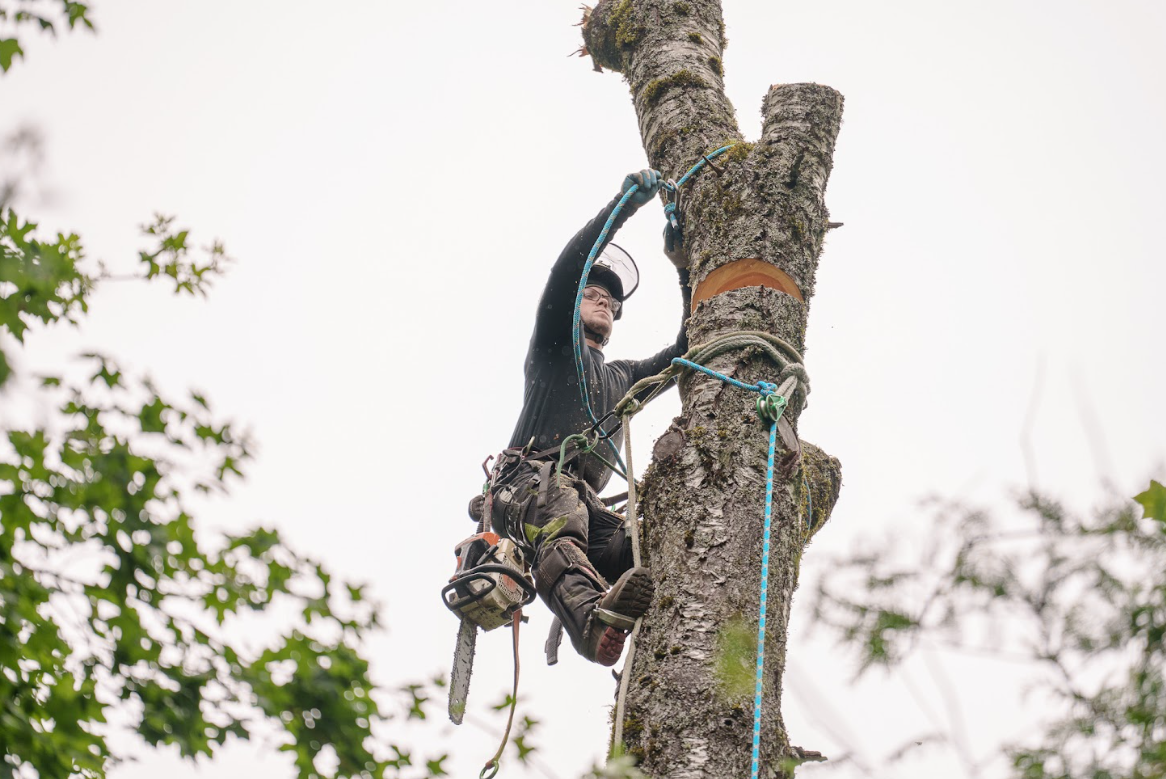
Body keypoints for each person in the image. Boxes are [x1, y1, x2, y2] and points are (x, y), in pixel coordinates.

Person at [487, 169, 691, 666]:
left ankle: (632, 616)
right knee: (563, 520)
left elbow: (687, 350)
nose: (603, 299)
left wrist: (687, 268)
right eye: (592, 293)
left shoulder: (623, 378)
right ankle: (592, 623)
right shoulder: (554, 348)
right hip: (530, 485)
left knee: (638, 548)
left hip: (587, 505)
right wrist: (621, 209)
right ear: (575, 303)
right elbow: (564, 272)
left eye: (611, 300)